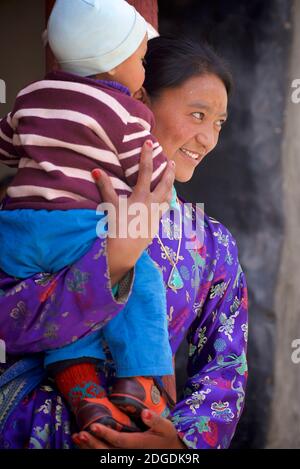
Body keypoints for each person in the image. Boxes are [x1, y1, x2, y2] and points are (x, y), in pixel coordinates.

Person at [0, 36, 248, 450]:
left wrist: (177, 444)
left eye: (218, 123)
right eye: (197, 115)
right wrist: (115, 259)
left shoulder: (212, 244)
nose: (208, 139)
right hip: (33, 432)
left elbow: (225, 366)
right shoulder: (43, 211)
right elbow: (7, 324)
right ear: (140, 102)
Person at [0, 0, 175, 433]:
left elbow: (6, 146)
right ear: (114, 62)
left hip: (16, 232)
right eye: (139, 59)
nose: (143, 71)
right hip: (76, 227)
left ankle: (86, 396)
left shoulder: (30, 95)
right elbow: (150, 171)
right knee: (143, 279)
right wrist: (163, 196)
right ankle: (139, 381)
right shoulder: (130, 113)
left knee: (69, 305)